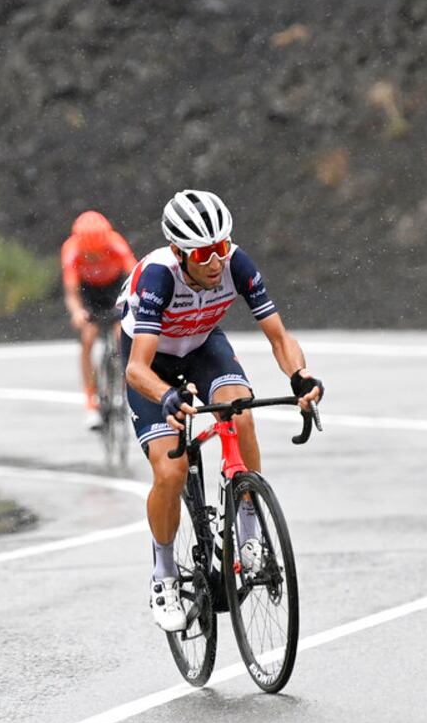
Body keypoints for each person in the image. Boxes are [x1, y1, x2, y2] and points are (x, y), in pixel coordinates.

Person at [120, 190, 324, 632]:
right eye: (205, 252)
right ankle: (164, 572)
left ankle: (249, 531)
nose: (217, 260)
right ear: (179, 252)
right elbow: (137, 369)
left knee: (241, 412)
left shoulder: (237, 264)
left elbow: (279, 336)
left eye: (222, 247)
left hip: (202, 343)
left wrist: (300, 377)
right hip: (152, 360)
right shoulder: (158, 277)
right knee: (170, 473)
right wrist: (167, 396)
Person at [60, 211, 137, 430]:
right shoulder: (71, 250)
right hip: (89, 293)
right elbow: (71, 292)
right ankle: (91, 402)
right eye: (90, 255)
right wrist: (77, 312)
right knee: (88, 337)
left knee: (121, 333)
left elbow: (136, 275)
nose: (94, 258)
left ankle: (123, 390)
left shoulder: (116, 244)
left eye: (99, 253)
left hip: (115, 289)